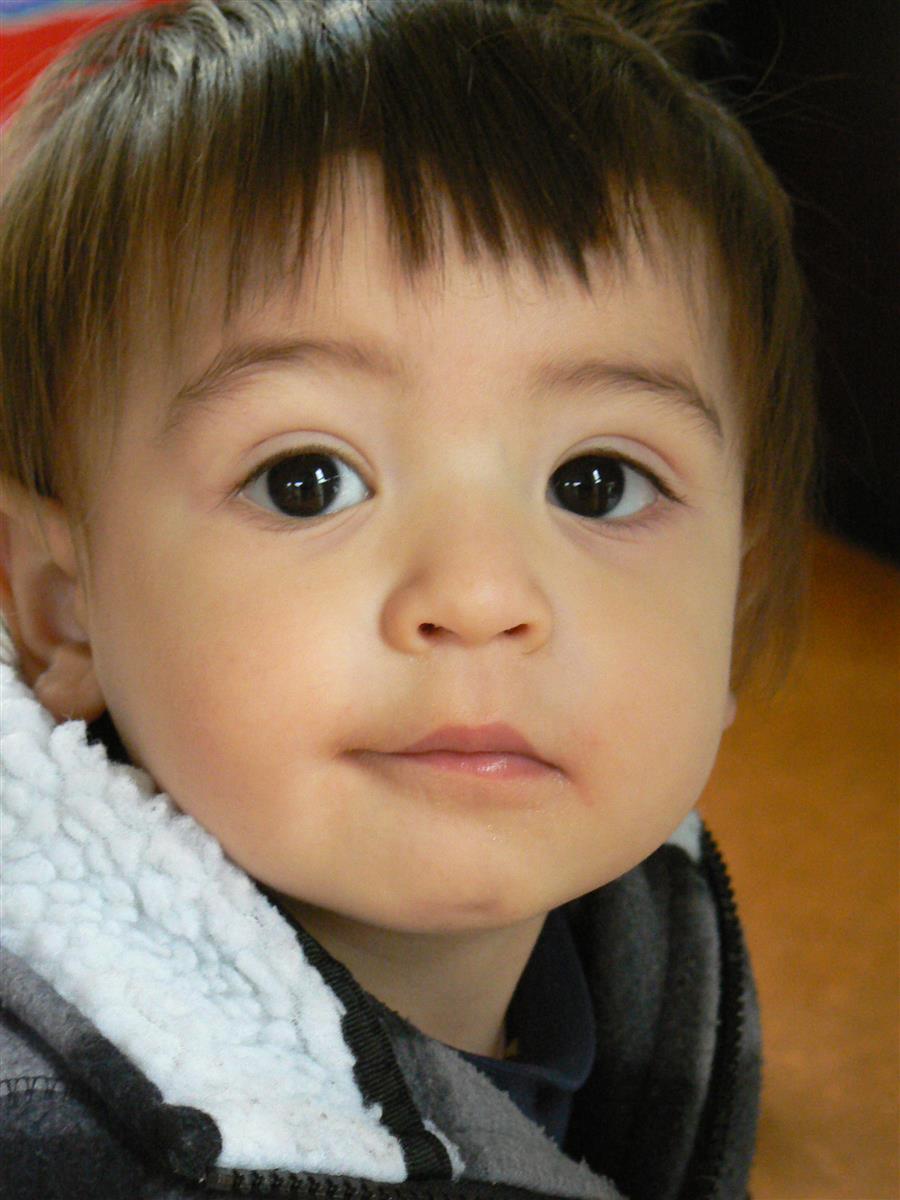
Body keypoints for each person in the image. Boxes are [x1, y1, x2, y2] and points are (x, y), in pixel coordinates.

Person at [0, 1, 815, 1197]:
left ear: (732, 612)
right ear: (61, 608)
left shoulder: (652, 943)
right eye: (306, 480)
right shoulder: (72, 1138)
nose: (481, 596)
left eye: (596, 483)